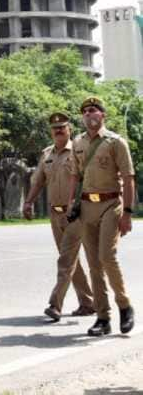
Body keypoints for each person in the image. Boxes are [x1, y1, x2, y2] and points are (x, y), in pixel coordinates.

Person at [66, 96, 135, 336]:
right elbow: (75, 176)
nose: (88, 115)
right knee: (94, 264)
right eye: (85, 112)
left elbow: (128, 178)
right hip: (86, 207)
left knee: (107, 257)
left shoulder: (116, 142)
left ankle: (124, 305)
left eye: (93, 110)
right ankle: (103, 318)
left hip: (111, 204)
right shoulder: (77, 142)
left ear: (102, 115)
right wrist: (69, 203)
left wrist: (127, 213)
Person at [23, 112, 94, 322]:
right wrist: (28, 202)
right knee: (71, 261)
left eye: (62, 127)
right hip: (55, 214)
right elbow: (37, 181)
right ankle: (88, 303)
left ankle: (55, 304)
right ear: (51, 132)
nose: (58, 131)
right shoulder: (47, 155)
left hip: (76, 213)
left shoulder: (80, 150)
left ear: (69, 129)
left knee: (65, 260)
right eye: (55, 128)